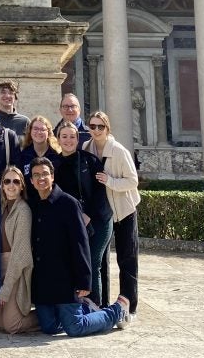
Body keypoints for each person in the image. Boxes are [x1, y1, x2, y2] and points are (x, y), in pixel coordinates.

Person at [26, 157, 128, 336]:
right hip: (43, 282)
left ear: (52, 176)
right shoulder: (32, 204)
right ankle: (84, 310)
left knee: (75, 327)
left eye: (44, 174)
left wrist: (84, 280)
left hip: (65, 279)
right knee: (48, 328)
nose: (41, 178)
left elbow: (80, 244)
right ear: (31, 180)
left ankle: (117, 310)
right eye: (36, 175)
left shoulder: (68, 204)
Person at [83, 111, 141, 320]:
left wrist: (110, 181)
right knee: (101, 260)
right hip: (101, 212)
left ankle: (130, 305)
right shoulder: (86, 148)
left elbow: (132, 181)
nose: (96, 130)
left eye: (101, 126)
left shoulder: (118, 150)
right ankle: (104, 303)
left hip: (123, 210)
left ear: (107, 129)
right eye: (93, 126)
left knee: (127, 259)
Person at [55, 120, 112, 307]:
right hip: (72, 223)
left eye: (72, 136)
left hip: (97, 220)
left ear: (78, 139)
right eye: (64, 136)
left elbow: (100, 191)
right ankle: (77, 304)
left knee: (93, 263)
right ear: (58, 139)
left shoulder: (90, 160)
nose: (68, 140)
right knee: (75, 262)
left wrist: (88, 215)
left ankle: (95, 306)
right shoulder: (54, 165)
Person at [0, 166, 38, 334]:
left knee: (11, 325)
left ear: (22, 186)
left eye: (16, 181)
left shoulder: (23, 211)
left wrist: (5, 290)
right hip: (0, 268)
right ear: (2, 185)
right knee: (0, 323)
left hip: (16, 270)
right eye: (7, 181)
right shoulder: (0, 207)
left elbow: (20, 255)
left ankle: (50, 316)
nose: (11, 185)